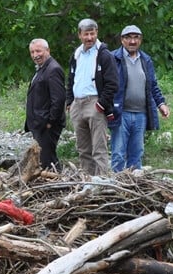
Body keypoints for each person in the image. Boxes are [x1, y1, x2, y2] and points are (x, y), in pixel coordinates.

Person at [108, 25, 170, 172]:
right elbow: (104, 84)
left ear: (140, 40)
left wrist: (161, 104)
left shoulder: (146, 60)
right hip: (120, 112)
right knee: (118, 152)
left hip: (141, 114)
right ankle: (116, 186)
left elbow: (152, 85)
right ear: (122, 40)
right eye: (128, 37)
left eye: (136, 37)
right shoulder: (113, 58)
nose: (132, 41)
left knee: (137, 153)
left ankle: (135, 186)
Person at [64, 18, 117, 176]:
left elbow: (113, 83)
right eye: (86, 34)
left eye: (92, 34)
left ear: (96, 33)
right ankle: (87, 180)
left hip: (95, 102)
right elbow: (71, 80)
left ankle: (101, 182)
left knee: (99, 148)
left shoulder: (104, 55)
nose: (89, 38)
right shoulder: (76, 54)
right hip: (77, 104)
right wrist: (69, 101)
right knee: (83, 147)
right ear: (79, 35)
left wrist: (101, 104)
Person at [24, 39, 66, 172]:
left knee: (48, 160)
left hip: (47, 125)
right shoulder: (41, 69)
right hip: (39, 124)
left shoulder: (53, 69)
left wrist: (50, 122)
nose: (35, 55)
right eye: (32, 52)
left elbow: (58, 99)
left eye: (38, 51)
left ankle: (59, 185)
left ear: (47, 51)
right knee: (44, 159)